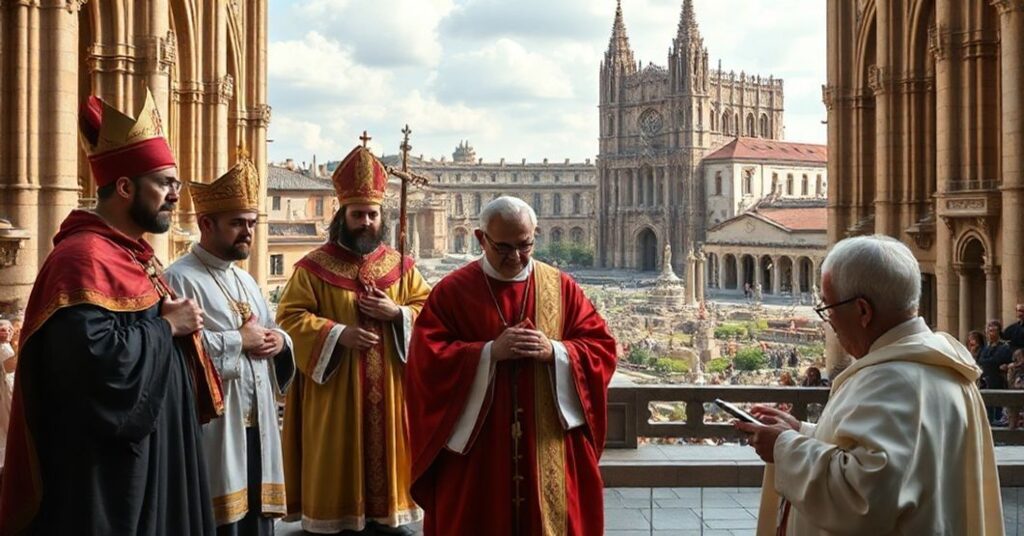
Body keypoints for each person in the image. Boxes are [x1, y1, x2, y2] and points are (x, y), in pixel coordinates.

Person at [0, 90, 223, 535]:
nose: (176, 196)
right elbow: (94, 369)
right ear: (125, 187)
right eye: (164, 183)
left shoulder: (132, 255)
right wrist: (167, 327)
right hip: (113, 480)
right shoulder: (82, 259)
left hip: (158, 458)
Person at [736, 235, 1003, 535]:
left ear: (863, 311)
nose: (829, 322)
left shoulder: (894, 381)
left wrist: (783, 447)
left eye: (828, 307)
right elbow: (896, 463)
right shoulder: (939, 367)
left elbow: (863, 498)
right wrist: (802, 432)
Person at [405, 196, 617, 535]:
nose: (516, 257)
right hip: (478, 451)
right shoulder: (453, 292)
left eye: (525, 246)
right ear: (480, 239)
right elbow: (426, 360)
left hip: (548, 444)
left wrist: (556, 352)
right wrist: (487, 353)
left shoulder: (560, 287)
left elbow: (602, 348)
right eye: (503, 248)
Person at [276, 144, 432, 534]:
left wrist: (398, 314)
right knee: (336, 456)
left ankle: (386, 515)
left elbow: (430, 311)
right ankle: (335, 516)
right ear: (342, 216)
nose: (366, 221)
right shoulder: (313, 268)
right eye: (357, 213)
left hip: (391, 389)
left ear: (382, 217)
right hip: (335, 392)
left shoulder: (400, 268)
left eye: (372, 214)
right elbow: (289, 318)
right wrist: (337, 333)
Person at [165, 155, 296, 536]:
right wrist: (239, 341)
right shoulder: (180, 278)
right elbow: (177, 354)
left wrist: (278, 342)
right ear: (206, 223)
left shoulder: (247, 281)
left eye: (252, 223)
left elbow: (271, 330)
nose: (248, 233)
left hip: (260, 429)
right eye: (237, 223)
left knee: (257, 522)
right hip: (216, 430)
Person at [978, 319, 1013, 425]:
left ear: (998, 332)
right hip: (985, 381)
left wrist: (988, 362)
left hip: (997, 381)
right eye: (988, 330)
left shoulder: (1004, 347)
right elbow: (980, 360)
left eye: (993, 330)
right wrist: (988, 362)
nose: (990, 333)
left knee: (998, 410)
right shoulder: (985, 348)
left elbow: (996, 360)